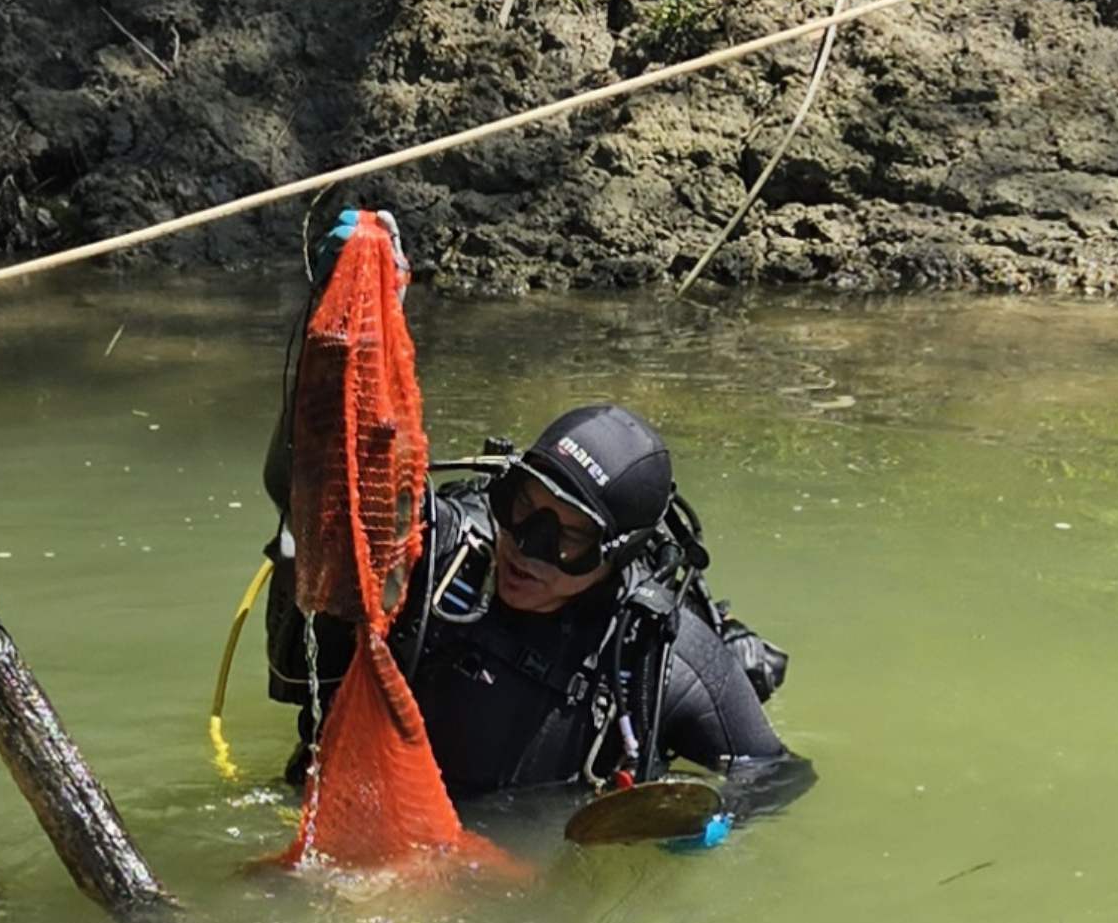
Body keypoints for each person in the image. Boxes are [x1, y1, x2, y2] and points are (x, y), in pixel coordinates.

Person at [263, 212, 813, 827]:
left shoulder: (657, 654)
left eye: (568, 538)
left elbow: (776, 775)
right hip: (357, 818)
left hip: (518, 853)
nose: (527, 548)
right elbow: (311, 492)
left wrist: (706, 823)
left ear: (618, 556)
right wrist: (342, 328)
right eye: (522, 510)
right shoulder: (440, 554)